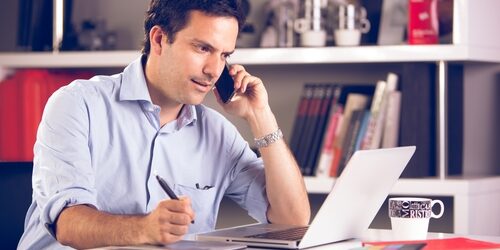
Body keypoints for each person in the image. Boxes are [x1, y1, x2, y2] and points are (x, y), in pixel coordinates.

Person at [18, 1, 310, 249]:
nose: (214, 70)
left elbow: (292, 220)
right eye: (202, 48)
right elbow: (68, 223)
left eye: (224, 55)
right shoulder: (77, 104)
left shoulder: (217, 134)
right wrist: (145, 228)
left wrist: (260, 116)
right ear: (159, 39)